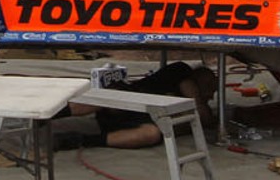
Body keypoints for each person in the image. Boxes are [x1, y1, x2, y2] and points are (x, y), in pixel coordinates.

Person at [54, 60, 220, 150]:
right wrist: (202, 107)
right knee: (109, 97)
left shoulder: (190, 114)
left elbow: (187, 125)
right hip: (128, 100)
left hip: (141, 120)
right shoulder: (181, 71)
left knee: (152, 134)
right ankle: (49, 114)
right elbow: (201, 112)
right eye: (210, 88)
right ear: (199, 80)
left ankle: (79, 140)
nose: (211, 96)